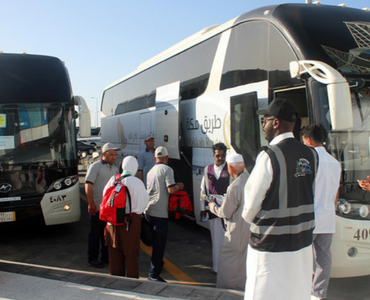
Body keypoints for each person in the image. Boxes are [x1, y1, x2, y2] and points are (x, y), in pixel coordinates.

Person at [242, 98, 317, 300]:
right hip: (302, 244)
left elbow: (250, 206)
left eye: (264, 120)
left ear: (275, 123)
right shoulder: (311, 154)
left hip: (270, 244)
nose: (263, 126)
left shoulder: (269, 155)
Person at [301, 125, 341, 300]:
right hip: (327, 218)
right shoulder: (335, 162)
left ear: (308, 140)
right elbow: (336, 193)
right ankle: (318, 293)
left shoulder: (307, 161)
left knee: (302, 258)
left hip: (309, 218)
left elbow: (302, 190)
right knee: (323, 258)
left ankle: (301, 290)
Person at [208, 153, 250, 291]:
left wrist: (212, 206)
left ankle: (226, 290)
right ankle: (243, 287)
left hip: (235, 231)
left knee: (227, 259)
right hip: (250, 231)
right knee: (244, 261)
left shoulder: (234, 187)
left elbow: (225, 212)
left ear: (230, 168)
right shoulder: (251, 181)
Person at [103, 156, 149, 278]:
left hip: (112, 222)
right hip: (131, 222)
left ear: (122, 166)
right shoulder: (137, 182)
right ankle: (132, 280)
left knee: (114, 251)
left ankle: (116, 279)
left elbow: (104, 197)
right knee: (131, 253)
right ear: (135, 167)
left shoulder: (113, 179)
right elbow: (144, 202)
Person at [145, 146, 184, 282]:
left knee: (154, 242)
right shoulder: (167, 169)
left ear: (155, 158)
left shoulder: (150, 171)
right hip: (160, 212)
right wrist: (179, 186)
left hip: (148, 210)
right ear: (167, 158)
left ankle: (158, 265)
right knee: (159, 244)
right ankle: (153, 274)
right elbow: (171, 189)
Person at [85, 142, 121, 268]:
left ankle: (105, 257)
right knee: (95, 234)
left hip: (108, 210)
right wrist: (91, 204)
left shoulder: (115, 168)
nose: (114, 157)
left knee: (106, 235)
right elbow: (88, 184)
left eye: (115, 155)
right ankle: (92, 258)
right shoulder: (95, 167)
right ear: (104, 154)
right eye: (112, 155)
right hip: (97, 208)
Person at [200, 142, 230, 273]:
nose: (221, 158)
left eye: (223, 155)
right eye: (218, 155)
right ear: (213, 155)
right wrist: (202, 208)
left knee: (227, 240)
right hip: (212, 210)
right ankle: (217, 268)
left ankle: (227, 267)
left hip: (226, 210)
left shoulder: (230, 169)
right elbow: (202, 191)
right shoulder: (207, 170)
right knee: (216, 240)